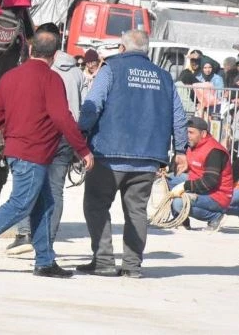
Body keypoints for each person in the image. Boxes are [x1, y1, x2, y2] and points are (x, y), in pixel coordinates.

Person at [0, 30, 94, 278]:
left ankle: (44, 260)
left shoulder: (10, 78)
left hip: (17, 152)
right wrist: (82, 150)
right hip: (35, 153)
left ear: (31, 51)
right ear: (53, 56)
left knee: (45, 204)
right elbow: (63, 118)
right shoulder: (52, 80)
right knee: (20, 204)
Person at [77, 29, 188, 278]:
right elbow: (179, 117)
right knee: (136, 210)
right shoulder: (164, 77)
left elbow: (94, 104)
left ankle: (104, 260)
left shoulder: (110, 69)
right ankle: (132, 265)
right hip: (148, 158)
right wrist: (181, 149)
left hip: (108, 153)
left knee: (96, 205)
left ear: (122, 48)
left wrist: (80, 132)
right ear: (146, 50)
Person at [8, 23, 85, 255]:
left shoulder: (36, 69)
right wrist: (80, 144)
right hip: (66, 136)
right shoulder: (77, 72)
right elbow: (79, 106)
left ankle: (24, 234)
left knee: (26, 185)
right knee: (55, 191)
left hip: (39, 133)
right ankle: (47, 240)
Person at [169, 117, 234, 231]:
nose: (187, 136)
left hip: (217, 196)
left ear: (203, 133)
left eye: (191, 133)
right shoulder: (192, 145)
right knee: (170, 178)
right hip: (201, 187)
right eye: (186, 132)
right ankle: (181, 221)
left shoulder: (215, 151)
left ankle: (216, 217)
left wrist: (185, 187)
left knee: (178, 203)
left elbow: (210, 182)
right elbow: (181, 168)